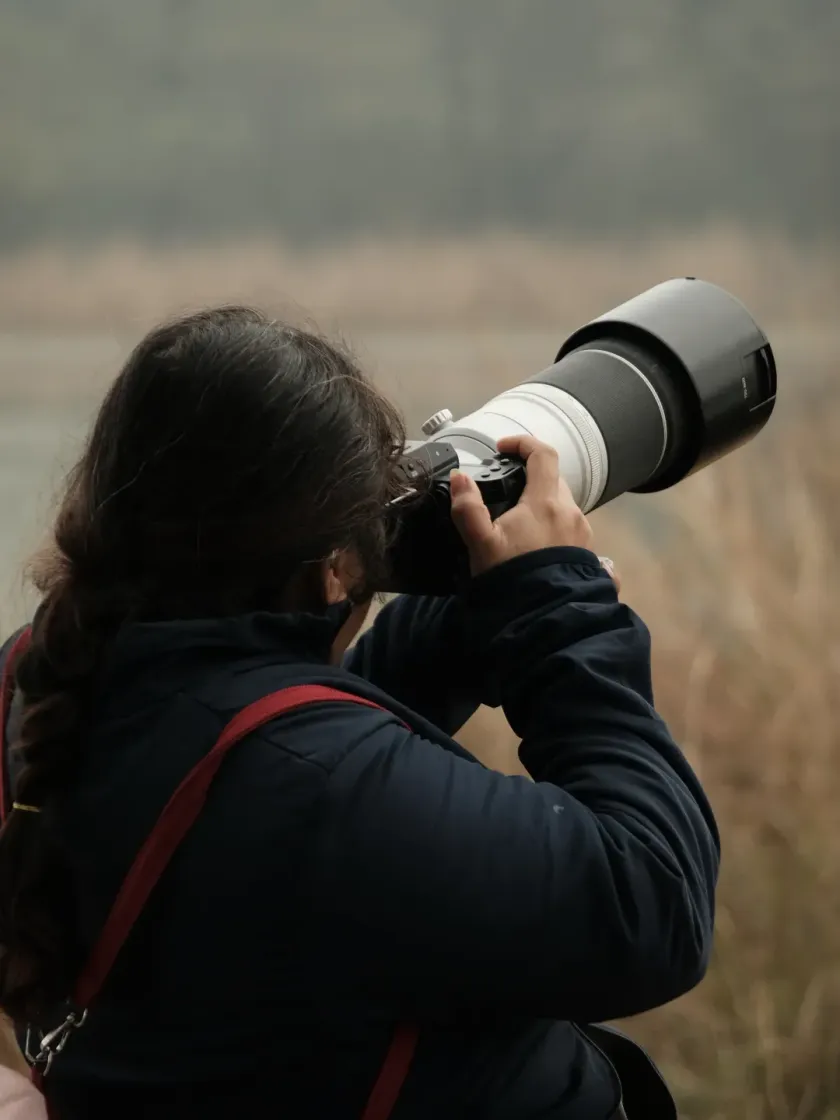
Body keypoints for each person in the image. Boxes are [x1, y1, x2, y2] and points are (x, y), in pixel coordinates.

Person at [0, 307, 719, 1119]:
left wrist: (473, 615)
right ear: (335, 569)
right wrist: (562, 617)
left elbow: (262, 756)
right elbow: (653, 902)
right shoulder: (325, 794)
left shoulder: (38, 680)